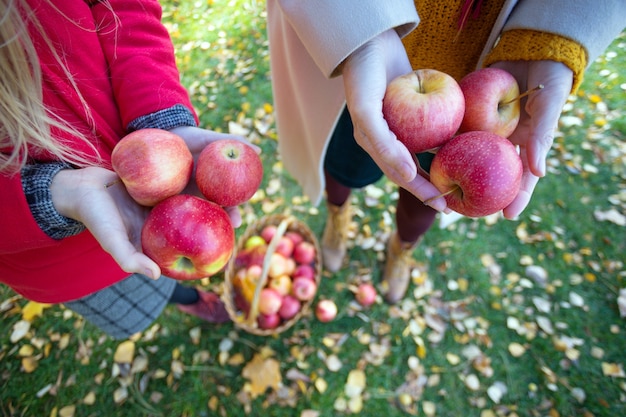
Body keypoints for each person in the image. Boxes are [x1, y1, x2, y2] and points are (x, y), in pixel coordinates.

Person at [266, 1, 625, 303]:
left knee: (428, 196)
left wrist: (550, 37)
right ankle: (337, 217)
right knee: (345, 163)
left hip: (468, 96)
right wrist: (358, 27)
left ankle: (401, 249)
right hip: (366, 66)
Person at [0, 0, 255, 339]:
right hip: (59, 259)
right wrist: (51, 196)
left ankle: (188, 296)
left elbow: (126, 7)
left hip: (164, 213)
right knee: (143, 289)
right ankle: (186, 299)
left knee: (165, 266)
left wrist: (161, 120)